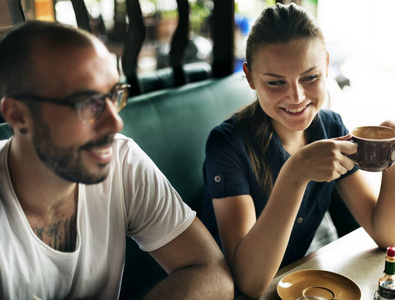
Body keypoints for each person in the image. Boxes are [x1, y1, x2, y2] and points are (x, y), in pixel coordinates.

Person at [0, 21, 234, 299]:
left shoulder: (121, 160)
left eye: (114, 96)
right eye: (88, 104)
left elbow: (213, 273)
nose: (115, 122)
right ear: (17, 115)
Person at [201, 3, 395, 298]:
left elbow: (387, 236)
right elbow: (249, 282)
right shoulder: (226, 145)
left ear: (327, 65)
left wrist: (390, 151)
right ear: (250, 78)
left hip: (297, 282)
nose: (297, 96)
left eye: (310, 77)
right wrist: (295, 173)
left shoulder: (329, 127)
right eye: (276, 82)